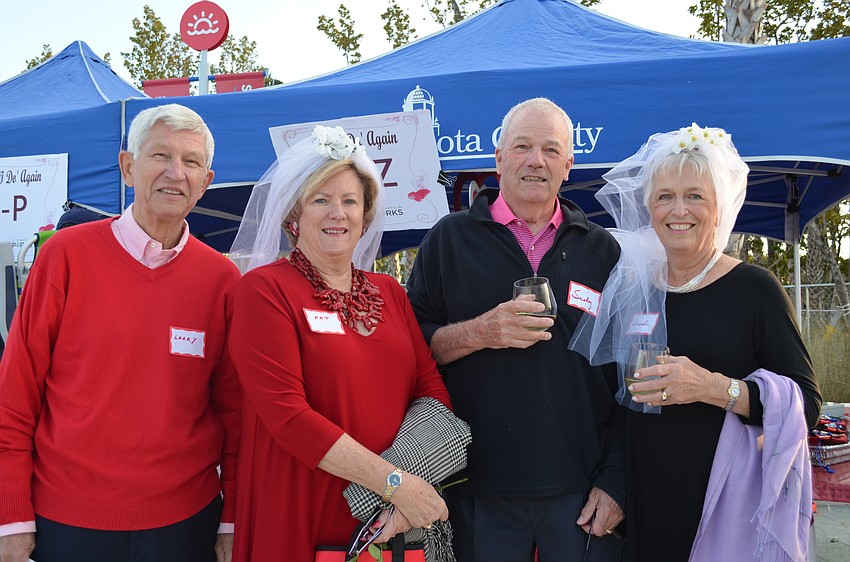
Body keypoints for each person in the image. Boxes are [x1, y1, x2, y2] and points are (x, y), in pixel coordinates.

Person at [569, 123, 822, 561]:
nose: (677, 209)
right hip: (647, 506)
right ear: (649, 207)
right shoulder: (636, 290)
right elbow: (617, 405)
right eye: (665, 195)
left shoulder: (754, 289)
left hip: (727, 504)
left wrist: (709, 387)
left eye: (694, 196)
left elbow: (806, 403)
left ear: (720, 208)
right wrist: (614, 485)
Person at [0, 104, 241, 562]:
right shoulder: (66, 257)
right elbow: (15, 394)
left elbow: (236, 414)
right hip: (67, 523)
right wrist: (11, 515)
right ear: (128, 167)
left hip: (186, 525)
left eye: (191, 162)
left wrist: (231, 522)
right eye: (160, 156)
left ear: (206, 181)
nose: (176, 172)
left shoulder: (222, 281)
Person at [405, 98, 625, 562]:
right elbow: (409, 351)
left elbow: (628, 377)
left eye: (550, 150)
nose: (535, 160)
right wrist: (479, 332)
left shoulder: (604, 251)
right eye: (522, 146)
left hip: (583, 491)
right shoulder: (447, 239)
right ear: (498, 158)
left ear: (568, 165)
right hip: (474, 486)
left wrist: (617, 481)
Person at [227, 125, 453, 561]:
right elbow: (288, 417)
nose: (338, 213)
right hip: (303, 509)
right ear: (295, 215)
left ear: (366, 215)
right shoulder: (263, 291)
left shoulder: (389, 292)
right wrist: (396, 483)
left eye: (350, 201)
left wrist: (401, 498)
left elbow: (432, 395)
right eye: (321, 200)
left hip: (390, 518)